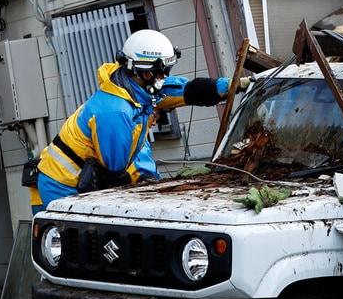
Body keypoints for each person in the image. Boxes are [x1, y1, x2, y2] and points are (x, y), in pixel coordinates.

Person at [29, 30, 233, 214]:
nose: (164, 77)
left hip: (83, 179)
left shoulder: (135, 88)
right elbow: (116, 176)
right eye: (161, 72)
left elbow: (184, 90)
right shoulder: (115, 112)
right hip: (61, 187)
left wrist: (228, 86)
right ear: (145, 73)